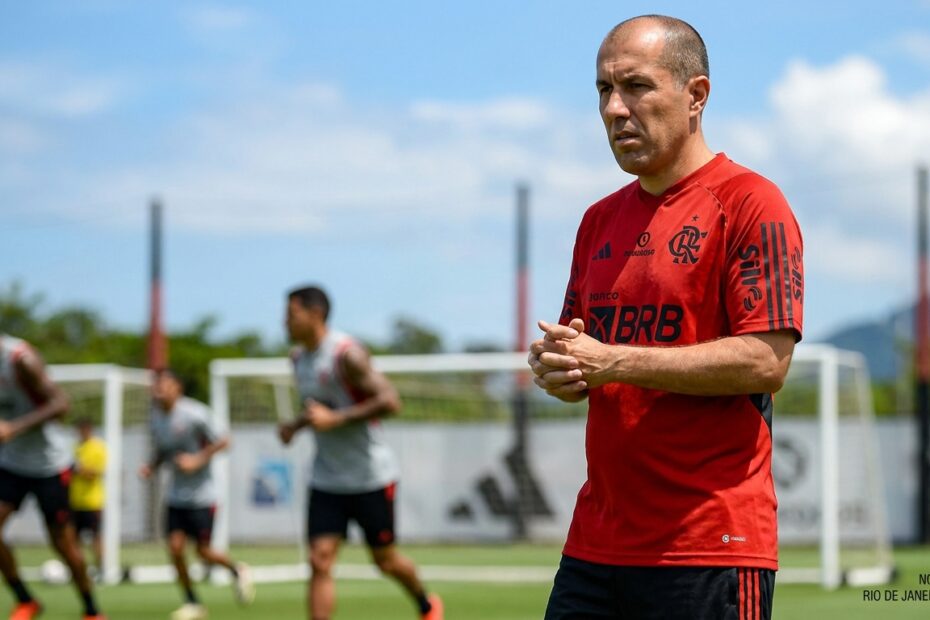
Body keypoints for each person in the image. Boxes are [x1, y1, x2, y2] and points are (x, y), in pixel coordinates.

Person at [528, 15, 804, 620]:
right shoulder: (597, 220)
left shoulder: (751, 204)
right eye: (604, 90)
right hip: (597, 544)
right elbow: (585, 358)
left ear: (696, 95)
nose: (614, 109)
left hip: (710, 546)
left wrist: (615, 360)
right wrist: (560, 368)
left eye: (636, 87)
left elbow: (767, 359)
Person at [278, 285, 443, 620]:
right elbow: (319, 408)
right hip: (326, 477)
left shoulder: (346, 355)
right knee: (319, 559)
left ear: (315, 314)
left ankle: (426, 604)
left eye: (291, 314)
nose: (284, 322)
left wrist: (334, 419)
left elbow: (390, 401)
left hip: (370, 476)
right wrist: (296, 426)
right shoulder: (298, 360)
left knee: (385, 561)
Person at [0, 334, 106, 620]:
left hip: (49, 465)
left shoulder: (19, 360)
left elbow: (61, 405)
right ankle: (25, 599)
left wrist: (14, 428)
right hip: (10, 462)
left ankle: (92, 610)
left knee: (63, 544)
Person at [139, 369, 255, 620]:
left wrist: (198, 459)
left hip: (203, 495)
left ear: (177, 388)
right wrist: (151, 466)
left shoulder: (195, 414)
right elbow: (163, 450)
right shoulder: (155, 418)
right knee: (175, 548)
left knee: (203, 552)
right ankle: (192, 602)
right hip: (175, 495)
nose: (158, 389)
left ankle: (237, 570)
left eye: (164, 384)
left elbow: (225, 440)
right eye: (155, 385)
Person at [70, 418, 107, 580]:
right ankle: (77, 571)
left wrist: (78, 470)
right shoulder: (75, 447)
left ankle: (101, 570)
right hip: (74, 501)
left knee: (96, 537)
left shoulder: (98, 447)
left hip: (93, 502)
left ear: (89, 429)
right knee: (72, 539)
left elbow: (94, 474)